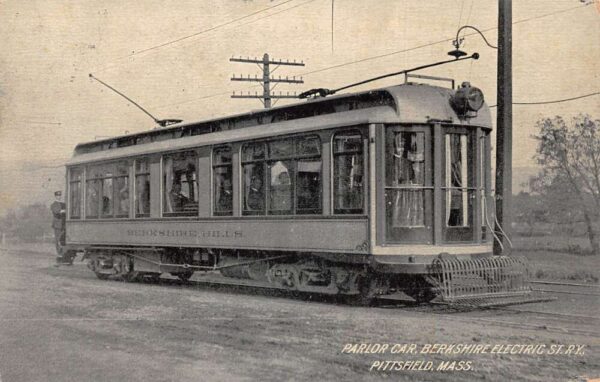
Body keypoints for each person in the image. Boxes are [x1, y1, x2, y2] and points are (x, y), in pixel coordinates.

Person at [50, 191, 71, 264]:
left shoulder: (63, 204)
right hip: (57, 224)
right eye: (57, 195)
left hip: (64, 223)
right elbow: (56, 212)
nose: (59, 197)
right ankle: (59, 254)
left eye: (60, 195)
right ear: (55, 196)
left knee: (64, 239)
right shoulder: (53, 204)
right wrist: (62, 211)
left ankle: (64, 255)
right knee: (58, 239)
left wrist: (63, 211)